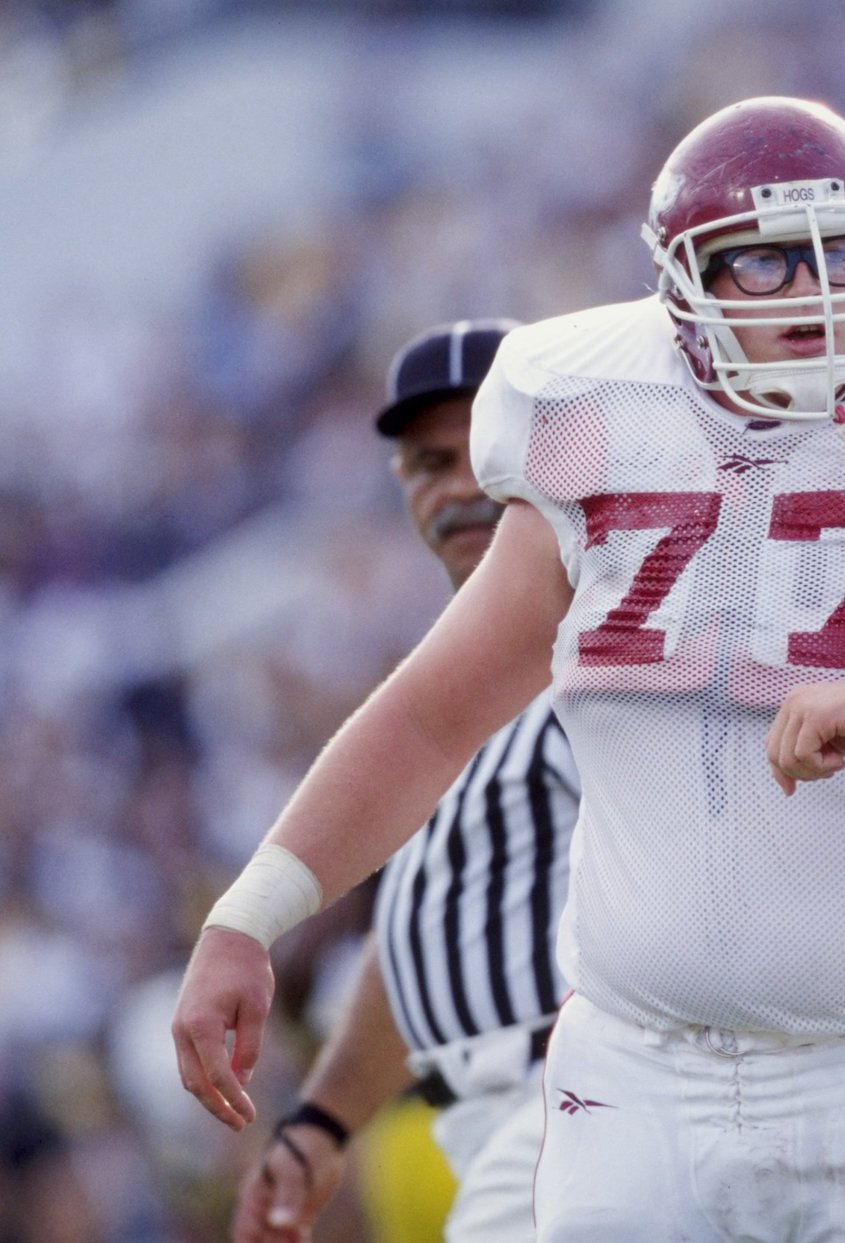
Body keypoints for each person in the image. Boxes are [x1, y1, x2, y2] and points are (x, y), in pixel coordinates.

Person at [173, 97, 845, 1242]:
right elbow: (431, 716)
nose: (817, 290)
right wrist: (248, 915)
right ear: (680, 285)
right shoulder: (590, 412)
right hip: (633, 1075)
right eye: (764, 260)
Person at [226, 320, 581, 1243]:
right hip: (480, 1117)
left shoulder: (621, 631)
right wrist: (323, 1119)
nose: (460, 487)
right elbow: (432, 919)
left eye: (485, 453)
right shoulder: (439, 684)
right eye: (429, 464)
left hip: (592, 1102)